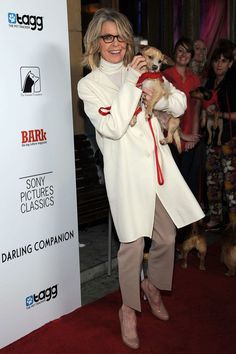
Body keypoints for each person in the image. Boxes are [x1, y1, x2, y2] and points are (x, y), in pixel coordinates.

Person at [77, 8, 204, 350]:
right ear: (96, 42)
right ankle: (128, 308)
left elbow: (177, 104)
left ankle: (152, 287)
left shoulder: (145, 69)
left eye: (120, 36)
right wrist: (135, 85)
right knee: (132, 244)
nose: (115, 43)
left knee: (166, 235)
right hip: (127, 174)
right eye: (107, 37)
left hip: (157, 168)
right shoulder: (90, 85)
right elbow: (114, 127)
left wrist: (159, 92)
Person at [163, 37, 204, 202]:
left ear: (191, 55)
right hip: (171, 136)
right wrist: (182, 136)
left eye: (188, 51)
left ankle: (191, 224)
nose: (184, 54)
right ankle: (174, 223)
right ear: (175, 52)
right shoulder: (166, 75)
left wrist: (193, 136)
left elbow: (196, 109)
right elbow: (164, 111)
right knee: (174, 182)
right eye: (180, 50)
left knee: (190, 180)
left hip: (190, 136)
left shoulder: (195, 79)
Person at [203, 45, 236, 231]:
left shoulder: (233, 85)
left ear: (230, 63)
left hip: (229, 139)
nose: (219, 64)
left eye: (224, 60)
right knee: (212, 180)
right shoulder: (208, 83)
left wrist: (220, 115)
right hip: (211, 140)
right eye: (216, 60)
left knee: (231, 183)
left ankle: (233, 222)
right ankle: (215, 218)